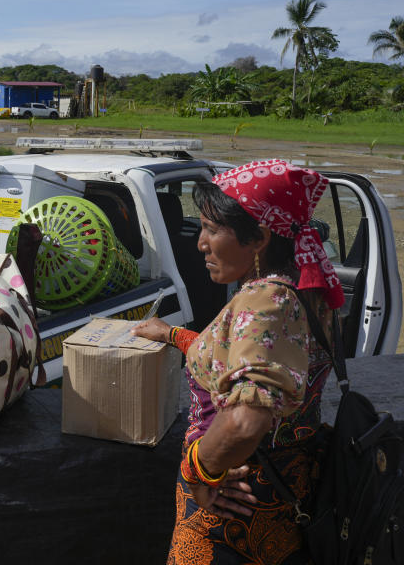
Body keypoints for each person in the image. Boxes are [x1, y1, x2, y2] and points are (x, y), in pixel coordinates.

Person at [131, 159, 345, 564]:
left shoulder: (266, 301)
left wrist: (199, 471)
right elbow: (245, 354)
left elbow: (247, 421)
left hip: (233, 502)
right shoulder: (305, 286)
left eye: (212, 230)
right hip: (284, 489)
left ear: (260, 237)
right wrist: (174, 335)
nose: (201, 243)